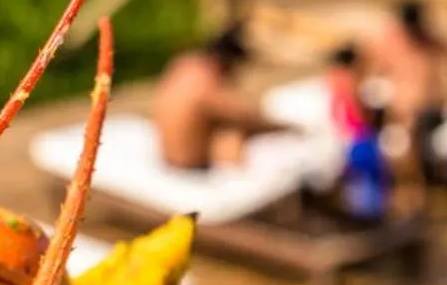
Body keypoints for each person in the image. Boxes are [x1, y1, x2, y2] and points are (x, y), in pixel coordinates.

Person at [153, 25, 297, 171]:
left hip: (169, 156)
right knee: (234, 137)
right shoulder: (206, 81)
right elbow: (246, 117)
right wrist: (285, 128)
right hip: (189, 164)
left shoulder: (184, 65)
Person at [367, 0, 446, 185]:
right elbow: (372, 73)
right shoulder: (389, 44)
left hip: (431, 109)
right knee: (406, 154)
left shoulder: (432, 42)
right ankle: (411, 194)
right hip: (403, 113)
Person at [325, 44, 391, 224]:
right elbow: (360, 113)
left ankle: (358, 217)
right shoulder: (352, 81)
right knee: (371, 181)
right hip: (359, 138)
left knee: (354, 184)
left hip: (343, 137)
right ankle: (370, 218)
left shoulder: (331, 80)